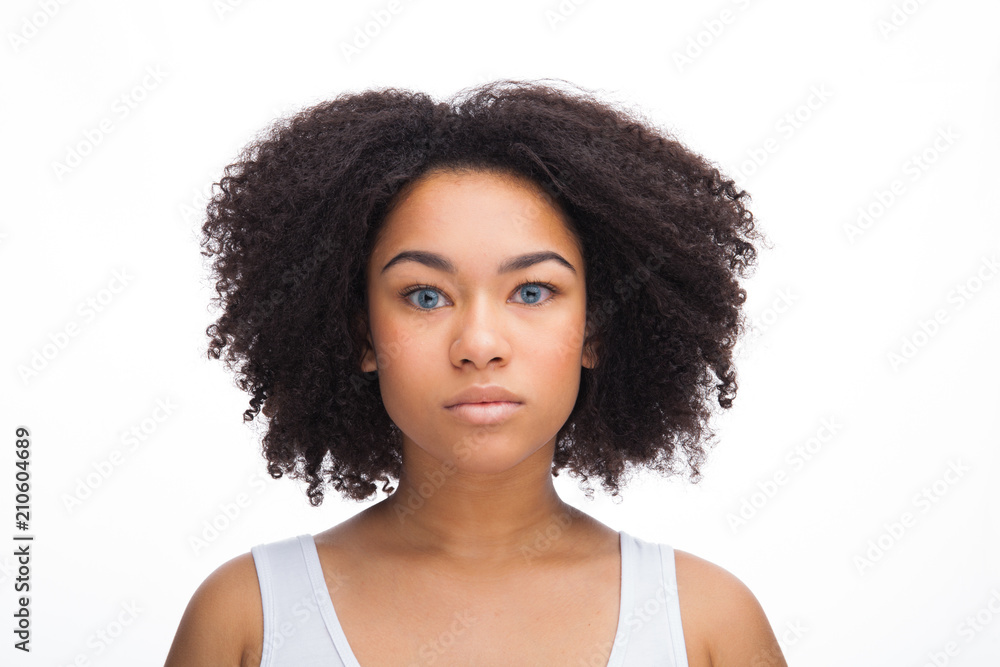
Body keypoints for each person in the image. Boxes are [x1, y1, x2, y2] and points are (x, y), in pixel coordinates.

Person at [165, 78, 787, 666]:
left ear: (595, 330)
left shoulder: (706, 624)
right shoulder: (249, 619)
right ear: (363, 336)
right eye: (425, 296)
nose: (480, 345)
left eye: (533, 292)